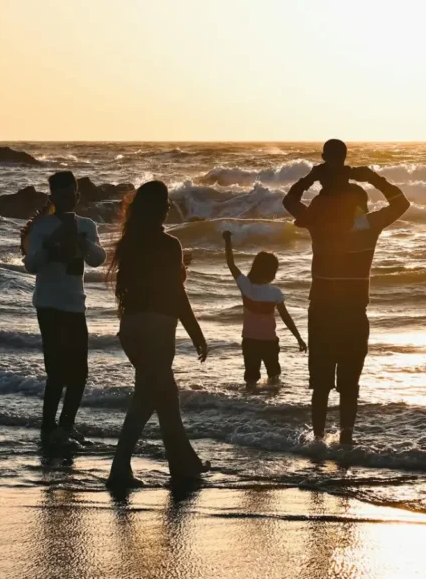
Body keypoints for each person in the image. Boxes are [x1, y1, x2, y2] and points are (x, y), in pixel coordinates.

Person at [283, 140, 409, 445]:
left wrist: (310, 178)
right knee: (350, 383)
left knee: (322, 384)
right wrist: (373, 177)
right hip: (354, 312)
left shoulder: (318, 220)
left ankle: (318, 440)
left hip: (322, 311)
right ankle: (347, 439)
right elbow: (402, 204)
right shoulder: (368, 224)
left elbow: (289, 201)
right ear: (360, 203)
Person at [106, 181, 210, 488]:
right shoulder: (168, 244)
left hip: (132, 328)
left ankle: (184, 462)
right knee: (147, 398)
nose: (167, 208)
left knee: (166, 396)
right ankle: (119, 467)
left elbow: (141, 287)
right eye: (165, 204)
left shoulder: (129, 242)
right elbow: (175, 294)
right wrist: (196, 333)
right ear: (159, 208)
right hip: (157, 329)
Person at [22, 171, 107, 444]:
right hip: (48, 303)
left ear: (78, 196)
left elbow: (99, 259)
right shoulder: (41, 227)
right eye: (61, 195)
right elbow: (31, 264)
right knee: (56, 371)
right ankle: (48, 428)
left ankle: (66, 426)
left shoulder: (87, 225)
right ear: (53, 197)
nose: (67, 199)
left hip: (75, 304)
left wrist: (81, 241)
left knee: (80, 373)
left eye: (71, 194)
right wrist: (51, 243)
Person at [222, 230, 307, 388]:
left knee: (251, 378)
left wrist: (227, 241)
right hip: (269, 342)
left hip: (249, 341)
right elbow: (286, 317)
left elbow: (230, 263)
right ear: (272, 272)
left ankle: (250, 407)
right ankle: (271, 408)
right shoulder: (275, 293)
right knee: (274, 377)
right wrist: (299, 338)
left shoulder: (245, 285)